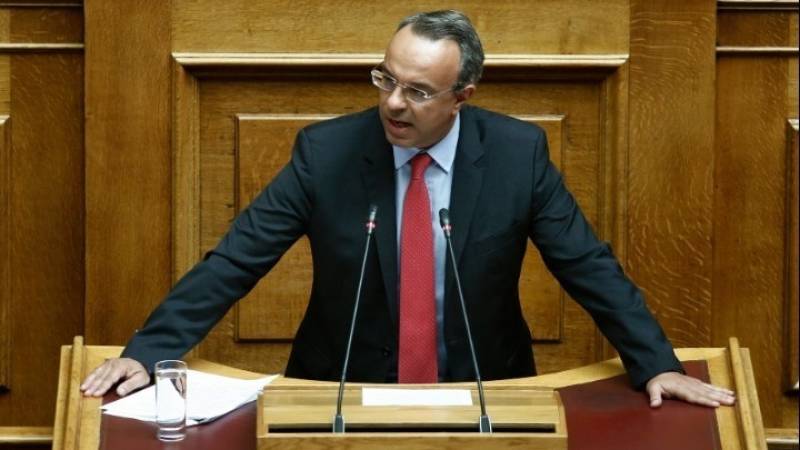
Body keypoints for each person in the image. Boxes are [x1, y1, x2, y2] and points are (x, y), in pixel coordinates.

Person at [82, 10, 735, 409]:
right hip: (338, 390)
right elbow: (236, 259)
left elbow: (587, 265)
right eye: (386, 79)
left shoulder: (518, 155)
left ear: (463, 96)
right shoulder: (326, 153)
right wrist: (150, 349)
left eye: (418, 91)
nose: (393, 103)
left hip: (486, 388)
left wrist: (657, 363)